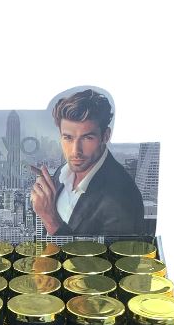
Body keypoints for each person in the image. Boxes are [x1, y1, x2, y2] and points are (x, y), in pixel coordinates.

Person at [30, 89, 145, 237]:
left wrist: (50, 219)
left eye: (87, 138)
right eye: (68, 138)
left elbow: (107, 253)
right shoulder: (61, 172)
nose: (75, 151)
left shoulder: (122, 199)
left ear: (105, 136)